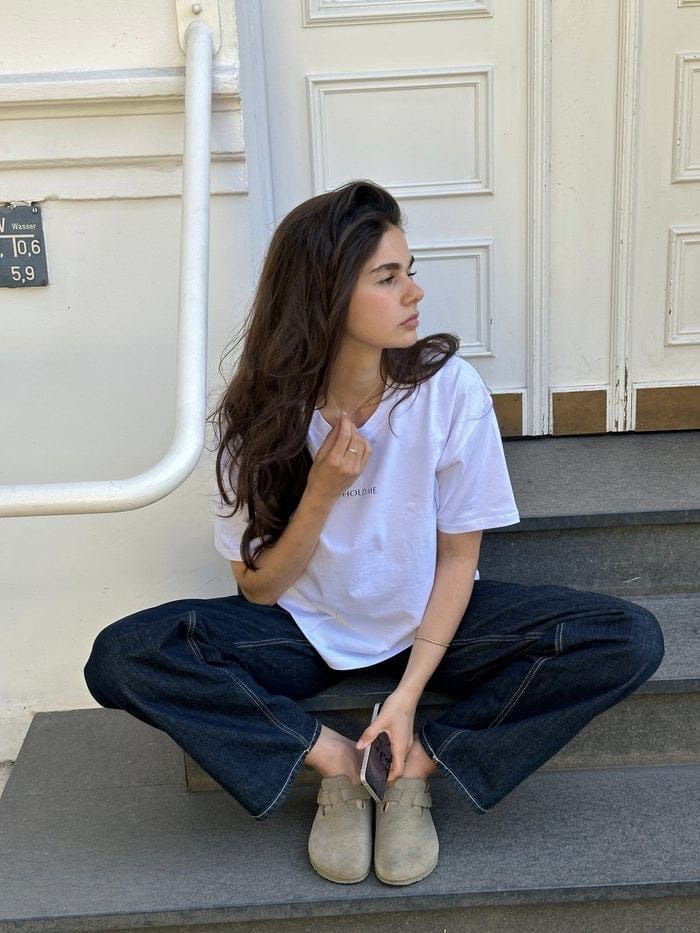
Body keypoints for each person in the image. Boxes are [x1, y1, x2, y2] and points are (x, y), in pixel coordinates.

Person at [84, 179, 665, 887]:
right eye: (388, 278)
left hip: (430, 620)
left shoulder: (449, 391)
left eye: (408, 271)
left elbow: (458, 559)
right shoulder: (255, 416)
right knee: (123, 655)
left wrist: (408, 696)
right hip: (304, 628)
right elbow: (259, 590)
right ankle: (335, 761)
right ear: (325, 295)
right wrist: (321, 492)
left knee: (627, 638)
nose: (415, 292)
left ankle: (414, 766)